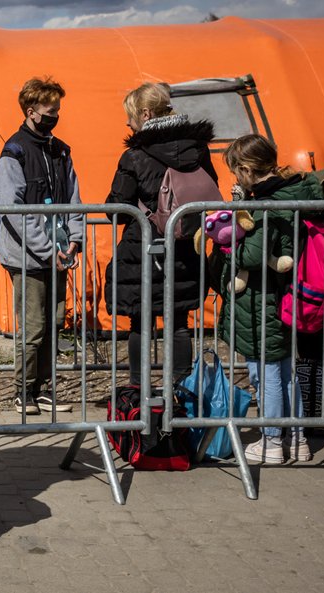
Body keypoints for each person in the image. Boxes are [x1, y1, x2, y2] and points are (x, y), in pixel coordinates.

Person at [215, 134, 322, 464]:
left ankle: (272, 441)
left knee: (267, 374)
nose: (235, 178)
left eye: (236, 171)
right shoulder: (293, 192)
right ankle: (298, 439)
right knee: (285, 372)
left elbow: (254, 254)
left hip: (263, 299)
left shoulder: (266, 203)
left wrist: (228, 243)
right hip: (285, 295)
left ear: (247, 169)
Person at [105, 82, 217, 386]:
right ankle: (181, 394)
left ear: (144, 113)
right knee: (179, 322)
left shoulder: (136, 156)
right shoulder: (198, 149)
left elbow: (116, 208)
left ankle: (140, 394)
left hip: (143, 250)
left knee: (141, 323)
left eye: (130, 115)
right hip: (186, 247)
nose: (128, 123)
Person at [0, 76, 82, 415]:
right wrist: (47, 249)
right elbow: (14, 212)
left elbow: (73, 198)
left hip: (58, 254)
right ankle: (22, 392)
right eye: (50, 110)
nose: (55, 115)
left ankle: (43, 389)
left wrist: (75, 238)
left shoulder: (60, 151)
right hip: (28, 257)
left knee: (54, 322)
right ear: (31, 111)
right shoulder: (14, 152)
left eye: (57, 109)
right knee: (33, 326)